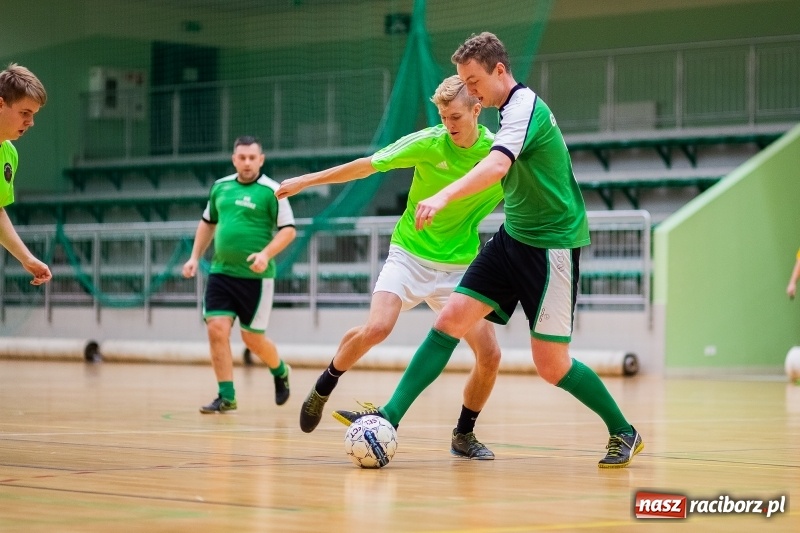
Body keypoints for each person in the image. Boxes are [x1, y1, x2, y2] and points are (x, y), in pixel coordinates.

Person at [334, 32, 644, 468]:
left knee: (551, 366)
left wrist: (443, 197)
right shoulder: (503, 113)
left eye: (474, 80)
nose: (470, 89)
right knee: (449, 320)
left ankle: (624, 431)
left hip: (552, 246)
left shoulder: (524, 109)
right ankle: (388, 417)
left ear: (500, 71)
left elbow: (497, 165)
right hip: (513, 238)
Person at [275, 75, 504, 459]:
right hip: (409, 254)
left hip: (460, 267)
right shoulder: (428, 142)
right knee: (378, 327)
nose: (449, 124)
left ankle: (464, 434)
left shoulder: (498, 153)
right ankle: (324, 385)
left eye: (456, 116)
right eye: (444, 116)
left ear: (477, 110)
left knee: (490, 355)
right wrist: (306, 181)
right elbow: (368, 165)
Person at [183, 136, 296, 413]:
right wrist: (194, 258)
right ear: (234, 159)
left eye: (252, 157)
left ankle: (280, 370)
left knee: (252, 339)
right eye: (241, 157)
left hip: (257, 279)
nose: (247, 162)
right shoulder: (220, 188)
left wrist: (265, 254)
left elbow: (289, 230)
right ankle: (227, 396)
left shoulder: (273, 191)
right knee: (216, 329)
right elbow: (207, 223)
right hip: (221, 274)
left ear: (261, 159)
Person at [0, 64, 51, 286]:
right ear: (1, 104)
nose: (30, 122)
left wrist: (26, 258)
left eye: (33, 115)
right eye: (24, 113)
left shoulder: (9, 153)